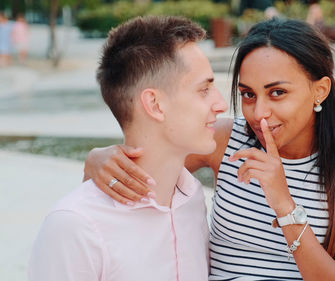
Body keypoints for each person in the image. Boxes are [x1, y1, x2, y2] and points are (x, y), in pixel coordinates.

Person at [85, 18, 335, 281]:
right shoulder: (226, 139)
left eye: (278, 93)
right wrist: (99, 159)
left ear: (319, 90)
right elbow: (139, 169)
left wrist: (285, 205)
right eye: (248, 94)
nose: (259, 113)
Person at [29, 16, 228, 281]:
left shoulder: (191, 200)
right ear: (155, 104)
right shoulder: (75, 225)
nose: (221, 104)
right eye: (203, 90)